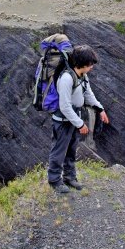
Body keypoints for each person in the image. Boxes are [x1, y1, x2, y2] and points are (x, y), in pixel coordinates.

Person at [47, 44, 109, 193]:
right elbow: (65, 106)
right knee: (59, 151)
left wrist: (100, 109)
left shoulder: (83, 76)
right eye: (90, 64)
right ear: (82, 64)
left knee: (71, 150)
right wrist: (80, 124)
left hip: (73, 120)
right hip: (62, 122)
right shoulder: (66, 78)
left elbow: (89, 95)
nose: (92, 67)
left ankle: (69, 177)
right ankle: (54, 181)